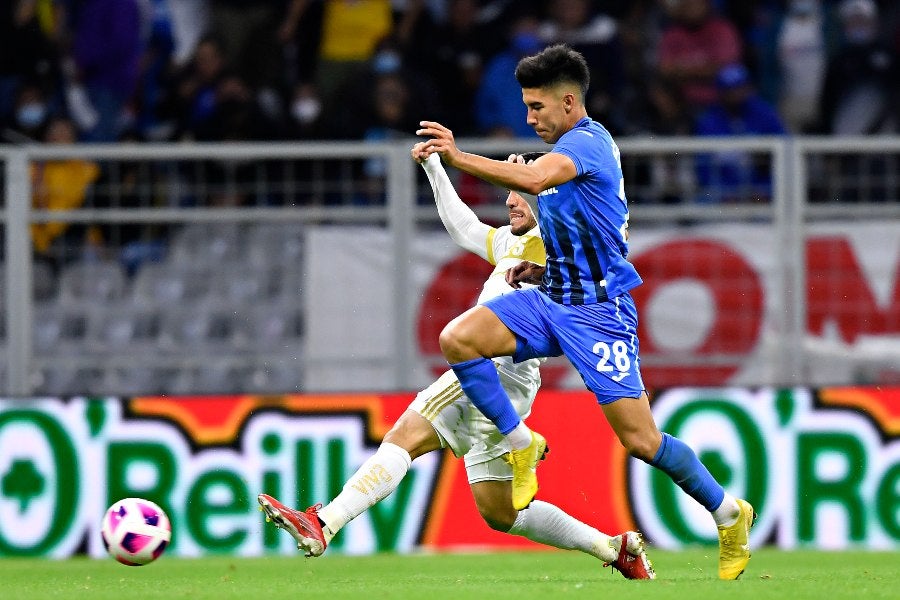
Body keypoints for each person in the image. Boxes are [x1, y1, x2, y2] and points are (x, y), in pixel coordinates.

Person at [413, 43, 755, 580]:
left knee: (641, 440)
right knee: (458, 339)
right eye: (526, 107)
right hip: (553, 300)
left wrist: (455, 158)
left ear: (570, 101)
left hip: (600, 314)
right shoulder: (562, 150)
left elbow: (531, 181)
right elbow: (575, 226)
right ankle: (521, 443)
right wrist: (543, 272)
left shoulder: (589, 143)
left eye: (537, 108)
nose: (529, 118)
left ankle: (728, 512)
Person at [257, 150, 655, 580]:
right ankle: (613, 549)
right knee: (500, 512)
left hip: (491, 367)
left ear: (546, 195)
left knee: (405, 435)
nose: (510, 201)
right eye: (508, 193)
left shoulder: (560, 247)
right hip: (511, 378)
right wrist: (433, 168)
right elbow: (463, 226)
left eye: (520, 192)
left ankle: (324, 523)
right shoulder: (512, 242)